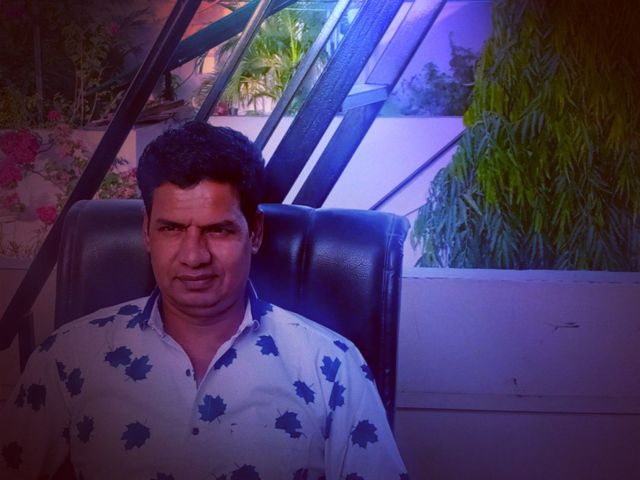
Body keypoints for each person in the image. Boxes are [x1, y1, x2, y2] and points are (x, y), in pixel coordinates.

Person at [0, 121, 409, 479]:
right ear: (146, 232)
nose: (194, 256)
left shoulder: (331, 366)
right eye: (172, 229)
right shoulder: (69, 358)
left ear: (255, 232)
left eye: (218, 230)